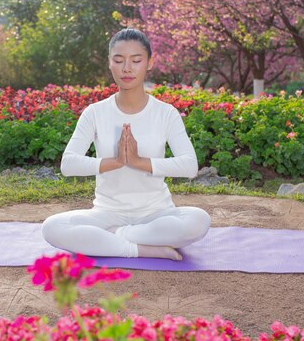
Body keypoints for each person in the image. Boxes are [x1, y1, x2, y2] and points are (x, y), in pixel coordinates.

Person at [41, 28, 211, 260]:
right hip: (107, 213)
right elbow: (68, 165)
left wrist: (140, 162)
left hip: (156, 214)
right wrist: (115, 162)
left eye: (136, 60)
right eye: (119, 60)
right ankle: (139, 248)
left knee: (198, 221)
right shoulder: (95, 113)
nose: (127, 68)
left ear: (150, 62)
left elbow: (190, 166)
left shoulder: (165, 113)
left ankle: (113, 237)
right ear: (110, 63)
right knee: (51, 227)